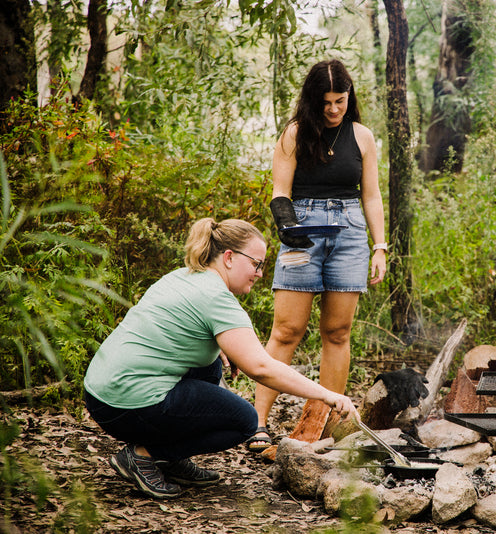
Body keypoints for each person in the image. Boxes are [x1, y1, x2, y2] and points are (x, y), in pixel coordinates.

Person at [83, 217, 358, 499]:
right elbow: (262, 368)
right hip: (126, 402)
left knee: (212, 365)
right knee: (244, 421)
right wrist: (327, 395)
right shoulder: (217, 299)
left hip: (99, 393)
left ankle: (169, 461)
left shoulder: (183, 276)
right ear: (229, 257)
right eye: (256, 264)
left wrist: (222, 346)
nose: (260, 273)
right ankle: (144, 455)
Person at [244, 59, 388, 452]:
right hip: (301, 232)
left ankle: (320, 426)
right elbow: (280, 192)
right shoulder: (293, 134)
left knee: (337, 333)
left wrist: (380, 246)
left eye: (340, 100)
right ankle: (255, 424)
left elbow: (371, 196)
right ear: (312, 100)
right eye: (325, 102)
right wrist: (288, 226)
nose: (333, 109)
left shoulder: (362, 136)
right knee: (286, 331)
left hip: (350, 234)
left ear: (349, 97)